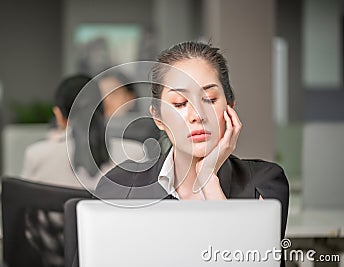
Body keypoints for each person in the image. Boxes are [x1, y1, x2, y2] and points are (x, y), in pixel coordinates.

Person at [95, 41, 289, 242]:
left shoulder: (262, 182)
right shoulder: (120, 185)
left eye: (210, 99)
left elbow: (249, 260)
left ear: (230, 106)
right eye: (179, 103)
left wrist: (207, 178)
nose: (197, 115)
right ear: (158, 118)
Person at [21, 74, 113, 190]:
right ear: (104, 110)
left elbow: (24, 202)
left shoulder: (36, 155)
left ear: (58, 115)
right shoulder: (136, 154)